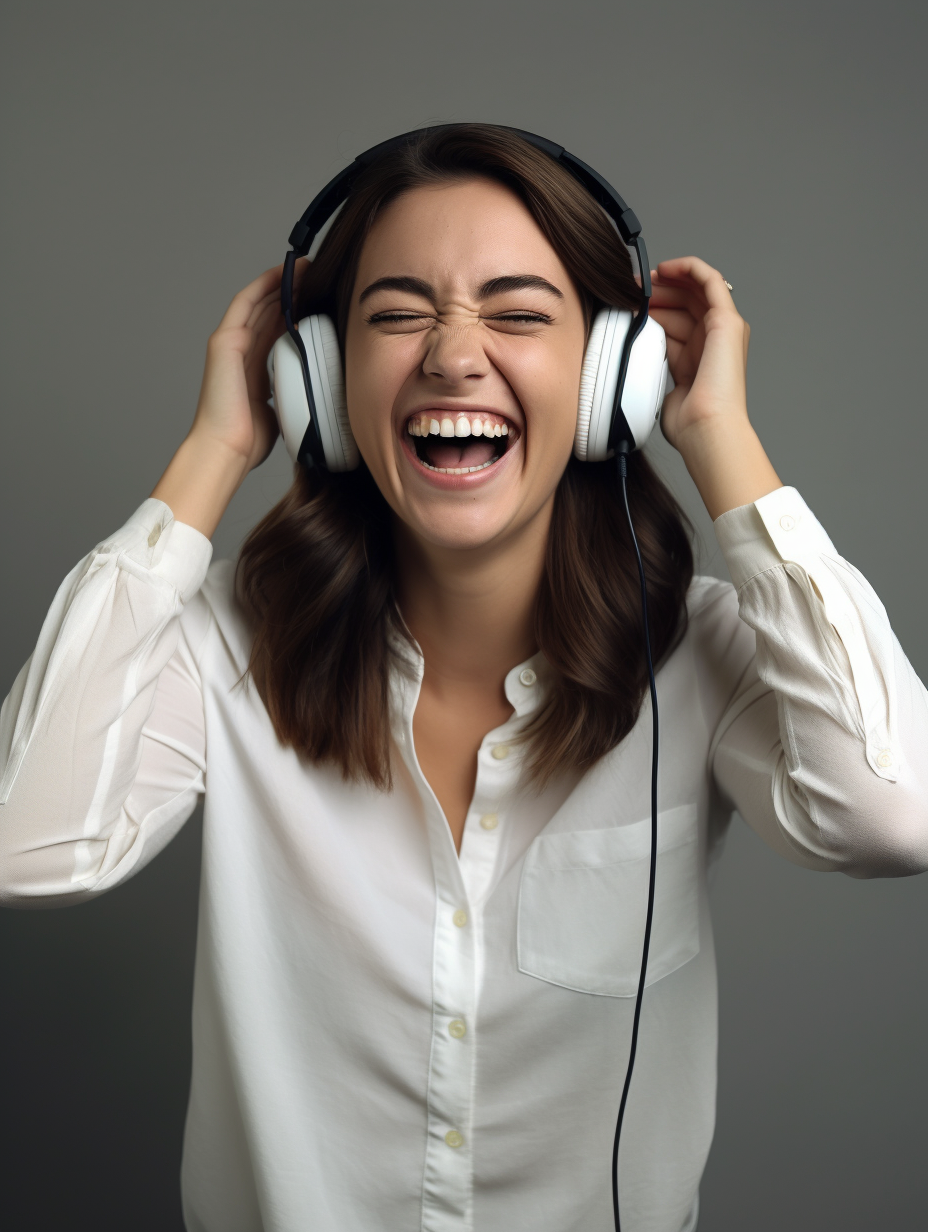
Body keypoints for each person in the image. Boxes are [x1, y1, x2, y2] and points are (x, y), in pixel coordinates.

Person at [1, 124, 926, 1232]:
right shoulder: (226, 647)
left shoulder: (701, 653)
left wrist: (718, 432)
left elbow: (896, 815)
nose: (450, 354)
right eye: (395, 314)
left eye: (519, 312)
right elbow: (25, 844)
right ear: (321, 381)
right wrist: (212, 449)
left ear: (609, 382)